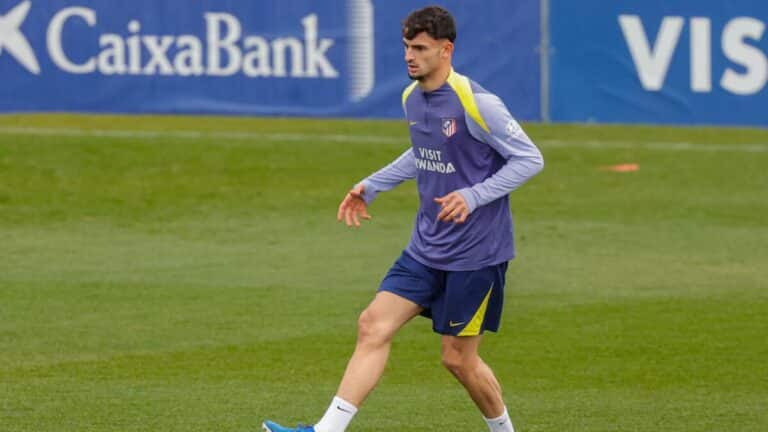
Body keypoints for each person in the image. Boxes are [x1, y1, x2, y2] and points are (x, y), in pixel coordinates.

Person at [263, 5, 543, 432]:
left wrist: (474, 195)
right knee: (372, 325)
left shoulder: (478, 102)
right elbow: (423, 152)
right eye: (406, 47)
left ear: (446, 50)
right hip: (426, 247)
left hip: (475, 255)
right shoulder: (413, 97)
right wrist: (372, 185)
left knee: (458, 360)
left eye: (420, 48)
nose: (409, 56)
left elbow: (529, 158)